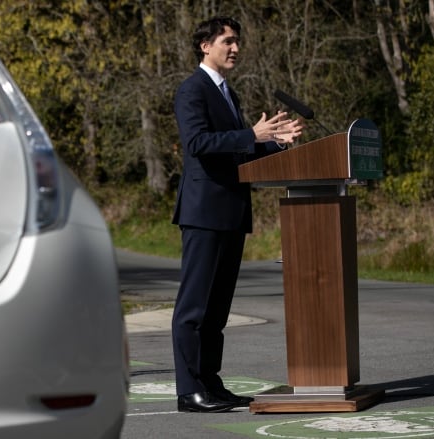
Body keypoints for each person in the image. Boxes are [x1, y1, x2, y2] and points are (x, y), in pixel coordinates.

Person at [171, 16, 303, 413]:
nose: (235, 48)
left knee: (216, 311)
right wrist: (252, 136)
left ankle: (210, 384)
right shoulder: (191, 90)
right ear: (204, 45)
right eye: (228, 41)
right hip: (204, 211)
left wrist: (273, 144)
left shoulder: (230, 94)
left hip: (230, 211)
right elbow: (197, 142)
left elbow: (236, 149)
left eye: (237, 42)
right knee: (194, 308)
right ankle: (189, 391)